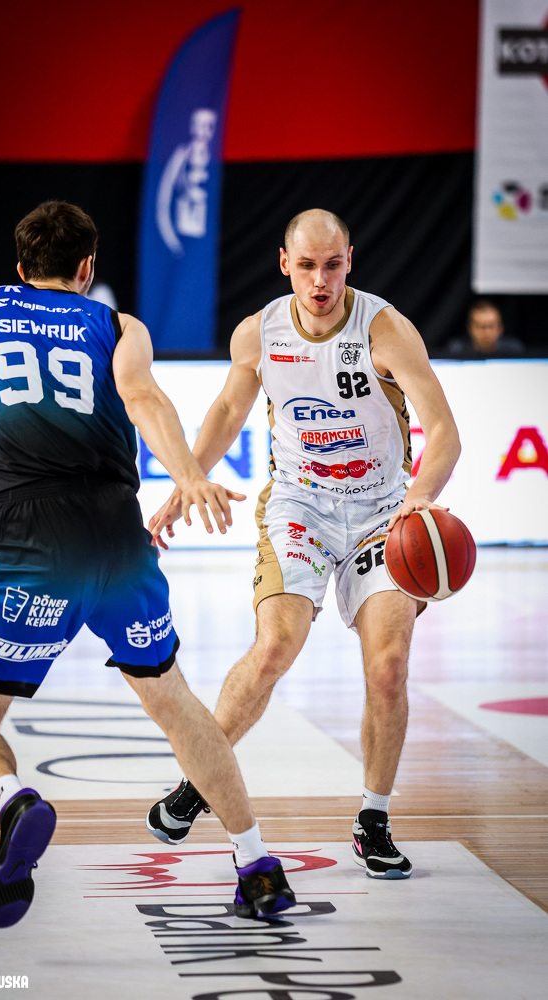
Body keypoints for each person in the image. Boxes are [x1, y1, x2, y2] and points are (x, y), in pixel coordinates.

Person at [0, 201, 295, 926]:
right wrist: (188, 476)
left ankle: (15, 802)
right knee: (175, 704)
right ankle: (257, 866)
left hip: (29, 540)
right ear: (86, 269)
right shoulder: (116, 325)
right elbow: (142, 398)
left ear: (20, 268)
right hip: (119, 538)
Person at [147, 208, 461, 880]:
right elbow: (228, 410)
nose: (321, 280)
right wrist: (186, 480)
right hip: (300, 506)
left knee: (388, 667)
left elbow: (443, 430)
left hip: (383, 512)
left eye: (333, 265)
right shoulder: (258, 332)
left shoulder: (385, 329)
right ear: (284, 263)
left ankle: (373, 818)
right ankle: (199, 781)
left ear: (350, 261)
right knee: (273, 649)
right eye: (308, 266)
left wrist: (419, 496)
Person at [445, 300, 524, 358]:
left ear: (500, 328)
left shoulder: (513, 351)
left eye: (491, 326)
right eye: (481, 326)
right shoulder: (457, 351)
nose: (487, 332)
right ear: (470, 328)